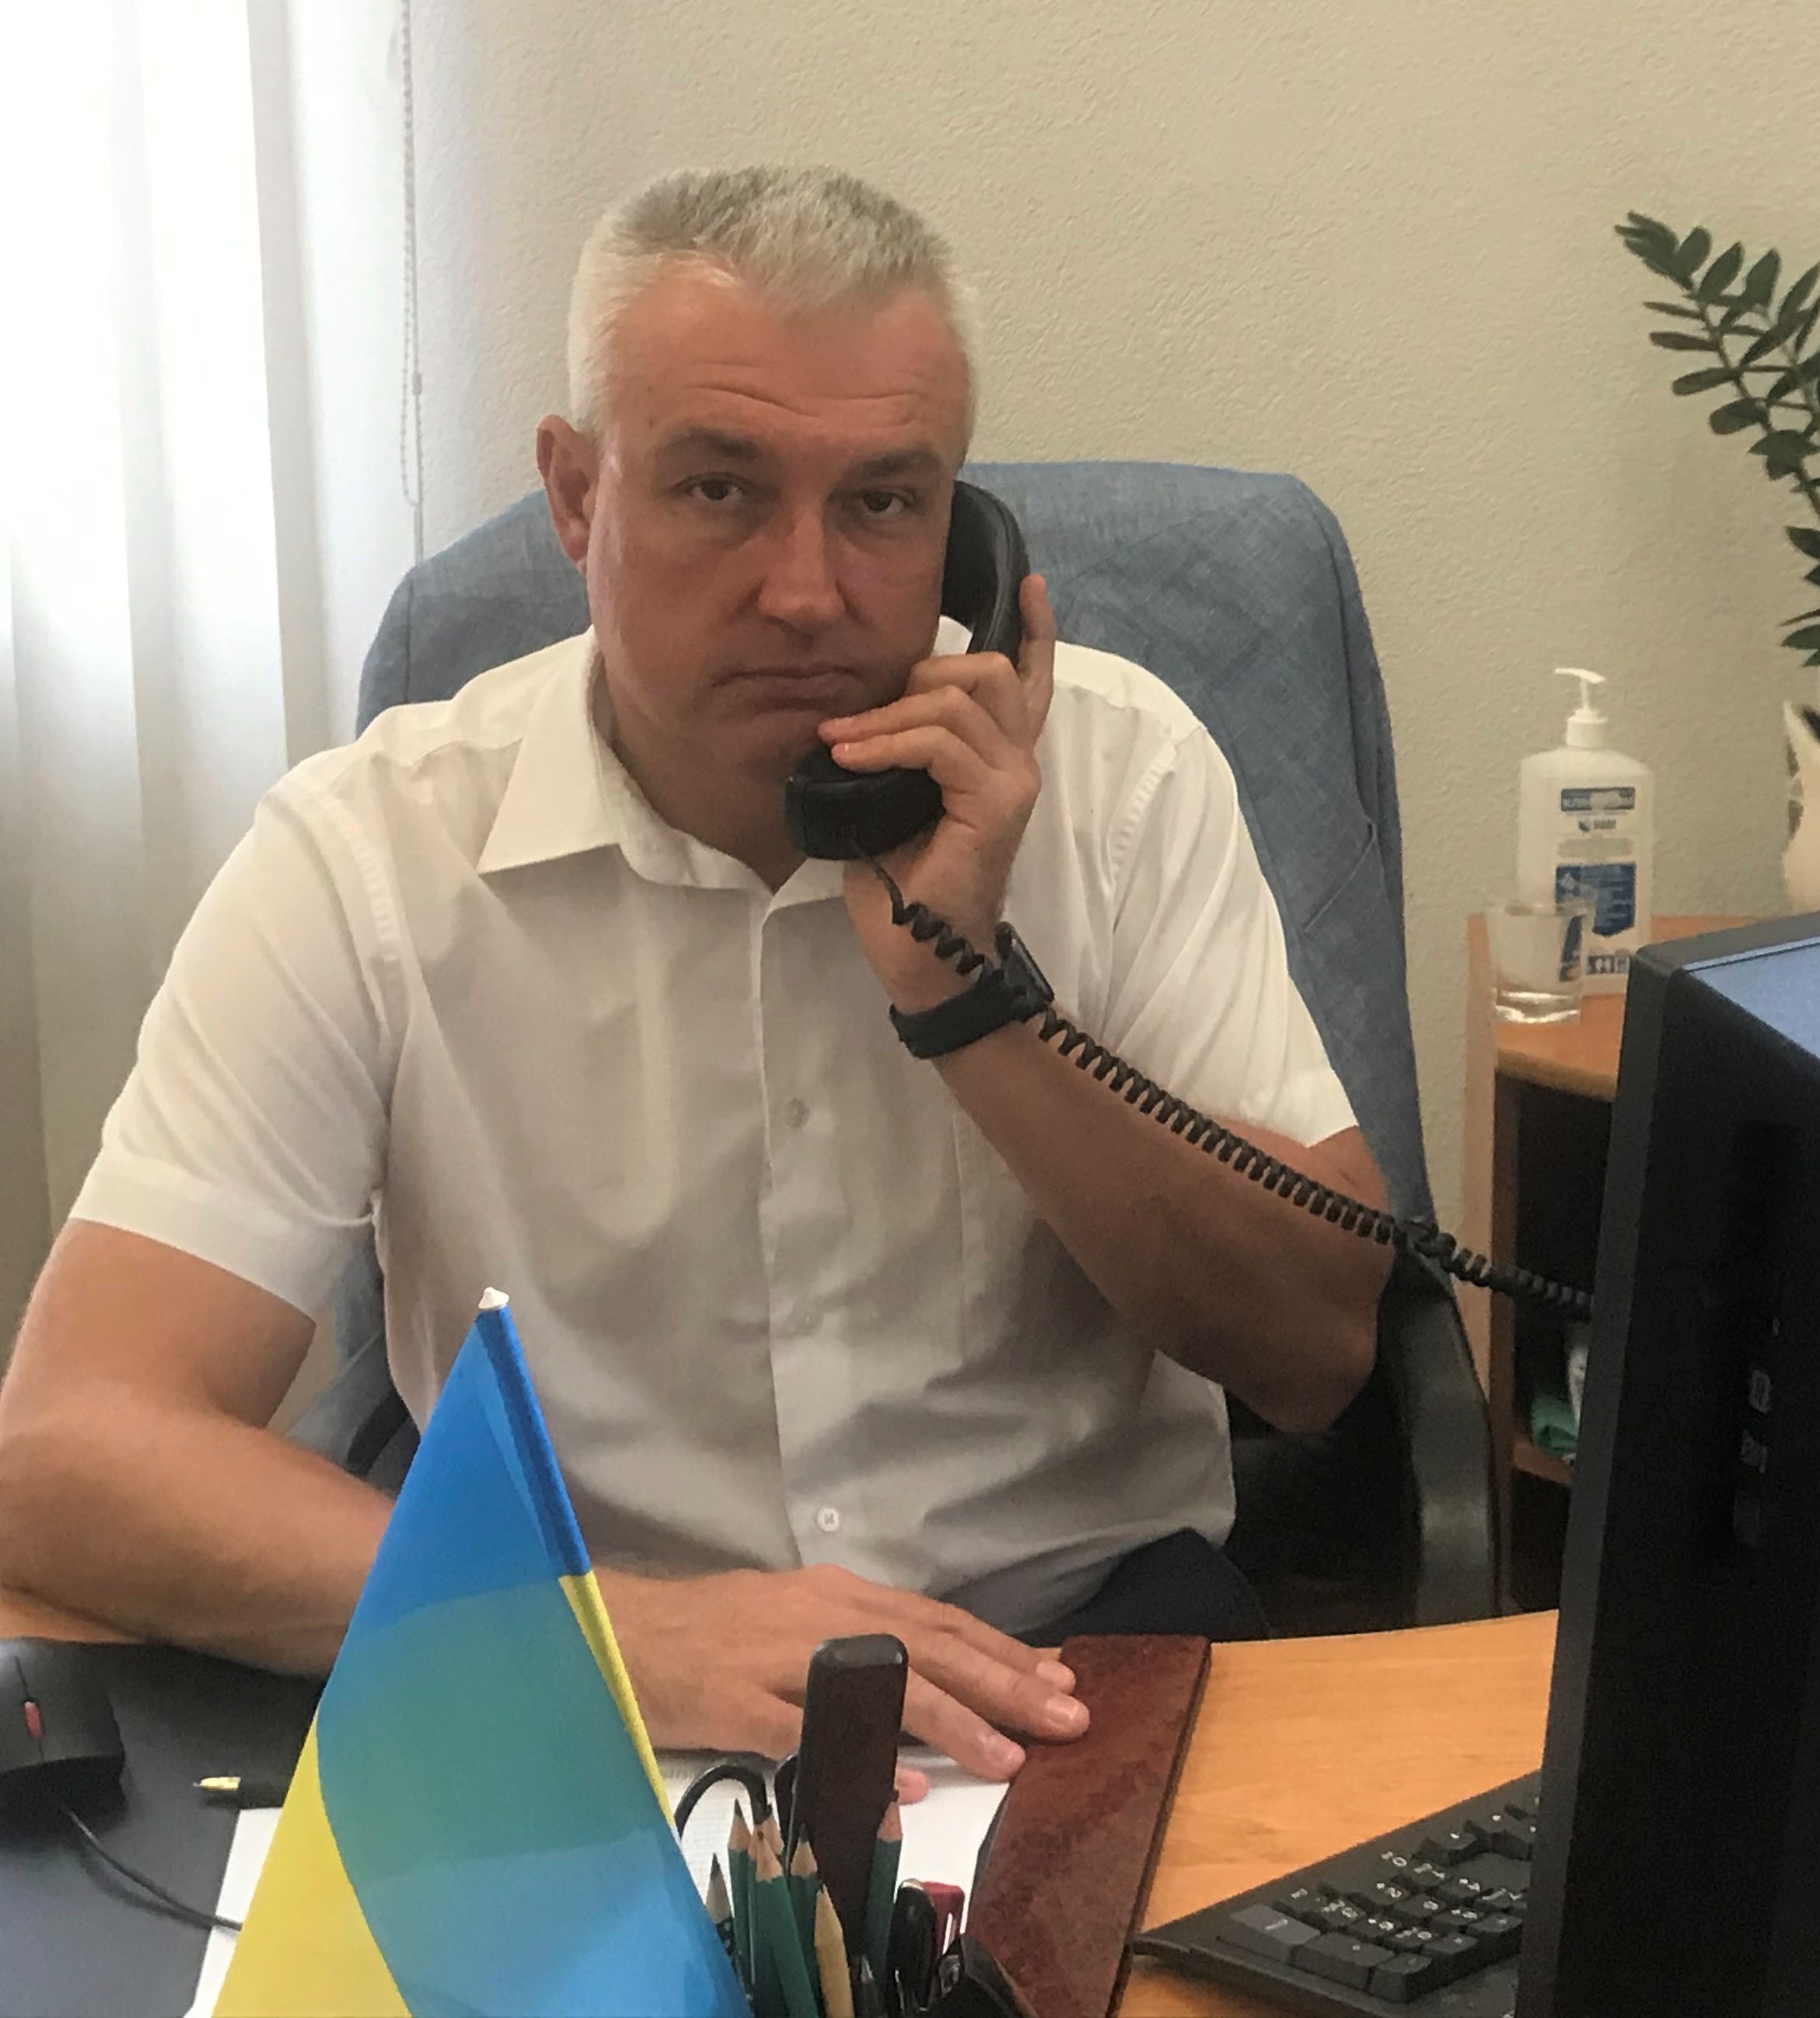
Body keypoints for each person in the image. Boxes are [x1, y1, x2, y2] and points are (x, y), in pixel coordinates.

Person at [0, 166, 1389, 1791]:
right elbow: (66, 1448)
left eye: (882, 503)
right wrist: (627, 1641)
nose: (805, 590)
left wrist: (971, 999)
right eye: (719, 489)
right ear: (575, 495)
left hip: (1073, 1669)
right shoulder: (370, 849)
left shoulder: (1123, 776)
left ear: (962, 534)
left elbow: (1317, 1349)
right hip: (573, 1683)